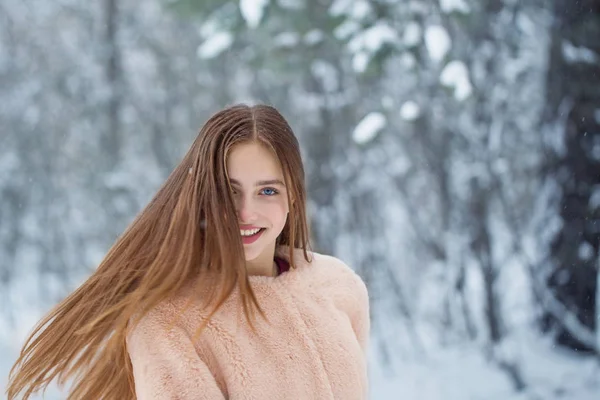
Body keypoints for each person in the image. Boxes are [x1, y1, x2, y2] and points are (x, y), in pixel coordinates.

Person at [6, 104, 370, 400]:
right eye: (229, 191)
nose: (246, 212)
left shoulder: (337, 286)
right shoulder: (169, 321)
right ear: (203, 197)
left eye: (268, 191)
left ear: (292, 196)